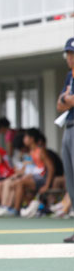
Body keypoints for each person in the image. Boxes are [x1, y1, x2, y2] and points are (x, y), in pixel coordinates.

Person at [58, 37, 74, 242]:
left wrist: (67, 100)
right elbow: (60, 103)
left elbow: (67, 100)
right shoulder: (69, 76)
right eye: (68, 54)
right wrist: (67, 100)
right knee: (71, 180)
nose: (69, 58)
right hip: (68, 126)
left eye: (72, 54)